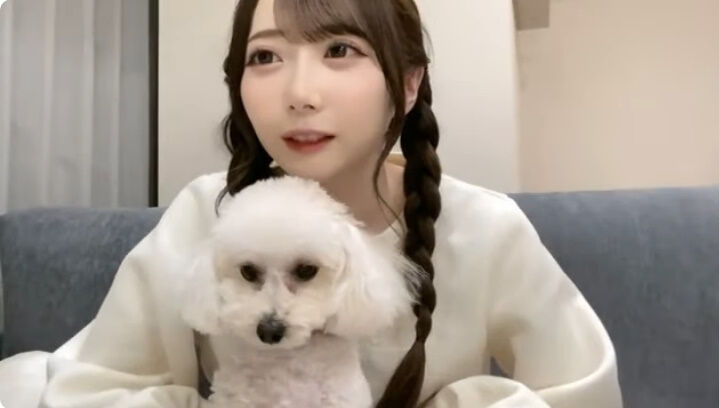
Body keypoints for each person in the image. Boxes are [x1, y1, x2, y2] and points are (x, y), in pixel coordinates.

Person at [0, 0, 623, 407]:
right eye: (265, 57)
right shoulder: (203, 212)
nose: (299, 93)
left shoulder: (486, 229)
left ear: (409, 84)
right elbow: (88, 391)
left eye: (339, 50)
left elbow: (585, 393)